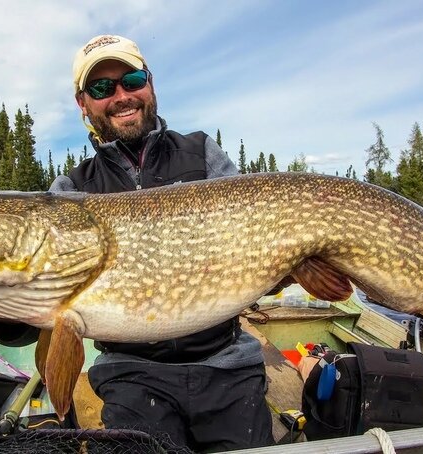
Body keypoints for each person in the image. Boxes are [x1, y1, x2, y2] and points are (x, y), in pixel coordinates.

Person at [49, 35, 274, 452]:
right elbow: (32, 306)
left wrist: (287, 264)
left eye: (132, 80)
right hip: (133, 374)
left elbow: (260, 251)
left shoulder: (202, 154)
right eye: (102, 88)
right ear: (83, 103)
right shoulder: (70, 191)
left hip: (227, 365)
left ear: (149, 84)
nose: (121, 95)